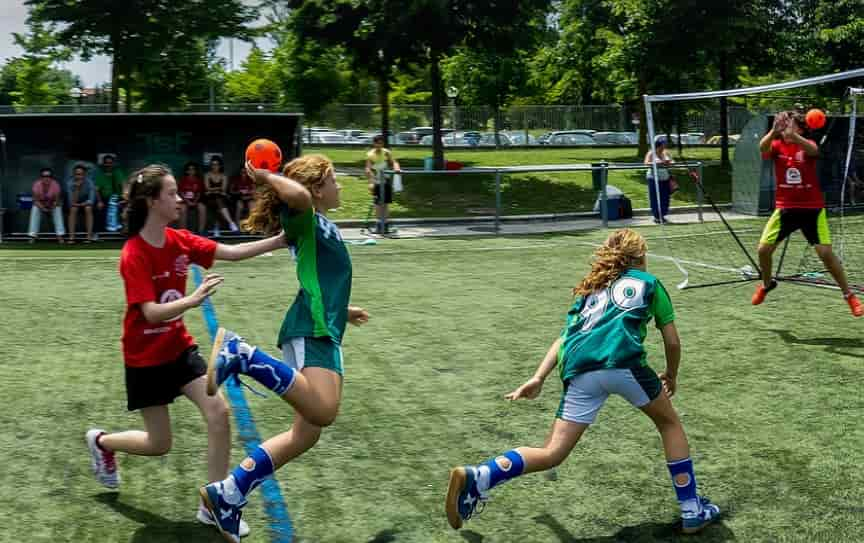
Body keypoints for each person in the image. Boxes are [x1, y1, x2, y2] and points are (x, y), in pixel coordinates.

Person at [444, 228, 720, 534]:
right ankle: (692, 509)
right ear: (640, 257)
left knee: (552, 453)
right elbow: (672, 341)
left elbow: (564, 338)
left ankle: (480, 475)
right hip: (623, 362)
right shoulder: (650, 284)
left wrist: (538, 377)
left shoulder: (591, 289)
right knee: (669, 424)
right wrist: (672, 374)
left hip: (580, 370)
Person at [84, 164, 287, 538]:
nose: (180, 199)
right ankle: (101, 442)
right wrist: (192, 300)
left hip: (178, 349)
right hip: (144, 358)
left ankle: (214, 504)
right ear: (152, 201)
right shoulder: (133, 253)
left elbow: (229, 252)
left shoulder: (179, 240)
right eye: (172, 193)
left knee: (219, 412)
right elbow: (150, 312)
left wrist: (277, 241)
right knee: (158, 444)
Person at [197, 154, 369, 543]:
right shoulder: (304, 215)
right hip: (311, 326)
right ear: (317, 188)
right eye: (334, 180)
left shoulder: (320, 225)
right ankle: (242, 354)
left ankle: (228, 495)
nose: (339, 186)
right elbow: (299, 199)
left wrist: (346, 309)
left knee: (306, 434)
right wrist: (265, 175)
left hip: (325, 325)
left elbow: (322, 276)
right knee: (324, 411)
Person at [752, 110, 862, 316]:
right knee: (763, 250)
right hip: (785, 209)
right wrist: (774, 131)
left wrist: (794, 136)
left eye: (788, 123)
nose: (784, 127)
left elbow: (812, 151)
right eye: (782, 123)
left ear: (800, 128)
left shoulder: (808, 144)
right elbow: (762, 148)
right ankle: (766, 284)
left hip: (812, 209)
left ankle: (849, 295)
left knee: (825, 254)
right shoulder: (776, 145)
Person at [365, 135, 401, 234]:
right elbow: (368, 169)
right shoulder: (370, 154)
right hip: (377, 181)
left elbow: (394, 162)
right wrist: (370, 182)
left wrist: (396, 168)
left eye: (381, 143)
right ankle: (378, 225)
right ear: (374, 143)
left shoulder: (386, 152)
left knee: (385, 203)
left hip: (386, 180)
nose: (379, 145)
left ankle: (385, 225)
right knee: (378, 204)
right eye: (377, 143)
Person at [28, 167, 65, 244]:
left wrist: (51, 208)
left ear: (51, 177)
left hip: (53, 205)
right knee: (35, 209)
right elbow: (35, 200)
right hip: (40, 205)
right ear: (41, 177)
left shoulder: (55, 185)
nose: (46, 178)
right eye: (44, 176)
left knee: (58, 208)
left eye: (48, 176)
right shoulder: (36, 185)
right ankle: (32, 236)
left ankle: (60, 236)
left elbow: (57, 200)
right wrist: (43, 209)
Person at [204, 155, 239, 236]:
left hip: (221, 198)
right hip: (209, 198)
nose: (214, 166)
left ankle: (216, 228)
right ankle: (231, 223)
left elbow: (223, 189)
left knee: (218, 202)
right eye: (213, 164)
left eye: (216, 164)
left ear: (220, 166)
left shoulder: (223, 175)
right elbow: (207, 188)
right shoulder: (207, 175)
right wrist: (217, 189)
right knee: (218, 201)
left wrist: (213, 190)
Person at [94, 154, 127, 232]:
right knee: (100, 207)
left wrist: (125, 197)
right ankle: (102, 231)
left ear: (113, 164)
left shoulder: (117, 172)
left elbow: (123, 185)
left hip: (117, 197)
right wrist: (99, 201)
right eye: (106, 163)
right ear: (104, 164)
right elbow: (97, 190)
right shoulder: (100, 174)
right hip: (104, 198)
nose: (108, 165)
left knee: (120, 205)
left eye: (110, 163)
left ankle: (120, 229)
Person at [645, 136, 674, 224]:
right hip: (653, 179)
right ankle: (657, 216)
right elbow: (646, 163)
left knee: (665, 198)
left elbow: (673, 162)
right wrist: (657, 163)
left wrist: (669, 162)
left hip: (665, 178)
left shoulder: (666, 153)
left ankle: (663, 215)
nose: (665, 146)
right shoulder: (651, 153)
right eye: (663, 144)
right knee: (655, 198)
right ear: (658, 145)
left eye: (665, 144)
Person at [66, 164, 97, 243]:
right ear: (73, 174)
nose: (79, 176)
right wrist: (77, 189)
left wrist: (81, 204)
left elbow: (91, 200)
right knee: (73, 209)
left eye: (81, 174)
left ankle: (88, 237)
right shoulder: (70, 183)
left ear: (84, 175)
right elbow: (71, 202)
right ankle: (71, 237)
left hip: (85, 204)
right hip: (75, 204)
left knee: (88, 208)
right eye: (77, 174)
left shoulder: (90, 182)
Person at [178, 162, 206, 233]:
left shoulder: (198, 180)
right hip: (185, 200)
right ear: (186, 171)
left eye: (193, 169)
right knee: (183, 208)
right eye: (189, 169)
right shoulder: (183, 180)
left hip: (195, 200)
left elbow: (199, 193)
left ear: (195, 171)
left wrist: (195, 202)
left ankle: (201, 231)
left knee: (202, 207)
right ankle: (183, 232)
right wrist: (188, 202)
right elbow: (181, 193)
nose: (191, 171)